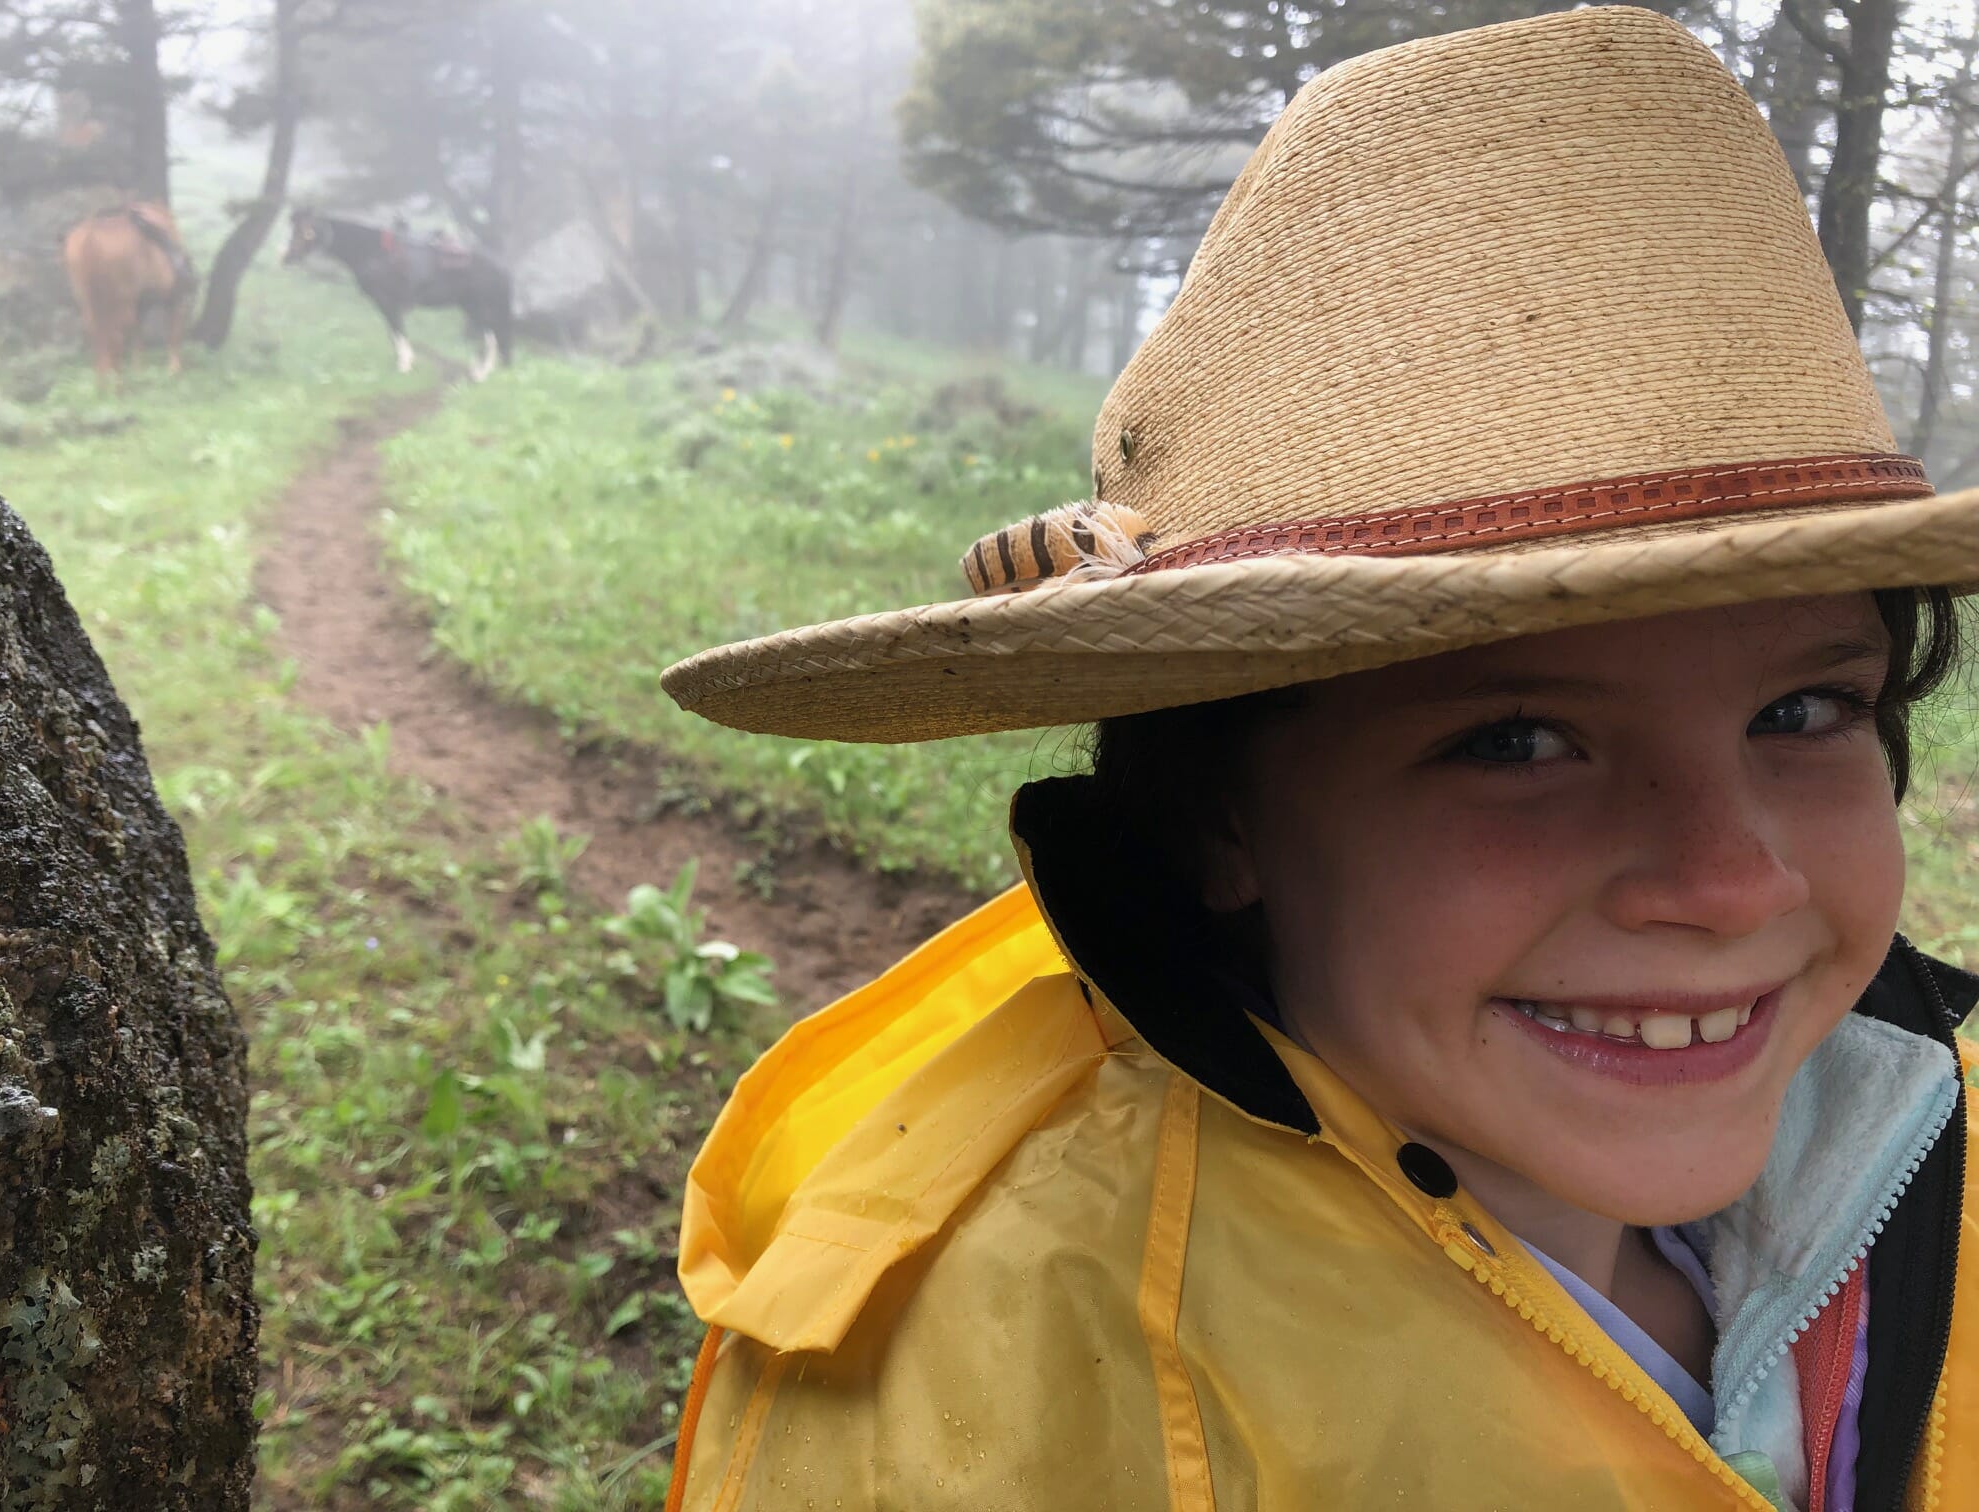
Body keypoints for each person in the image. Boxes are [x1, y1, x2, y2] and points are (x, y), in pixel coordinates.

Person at [654, 9, 1979, 1509]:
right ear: (1220, 812)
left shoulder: (1934, 1129)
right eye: (1517, 740)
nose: (1733, 883)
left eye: (1803, 714)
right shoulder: (1003, 1381)